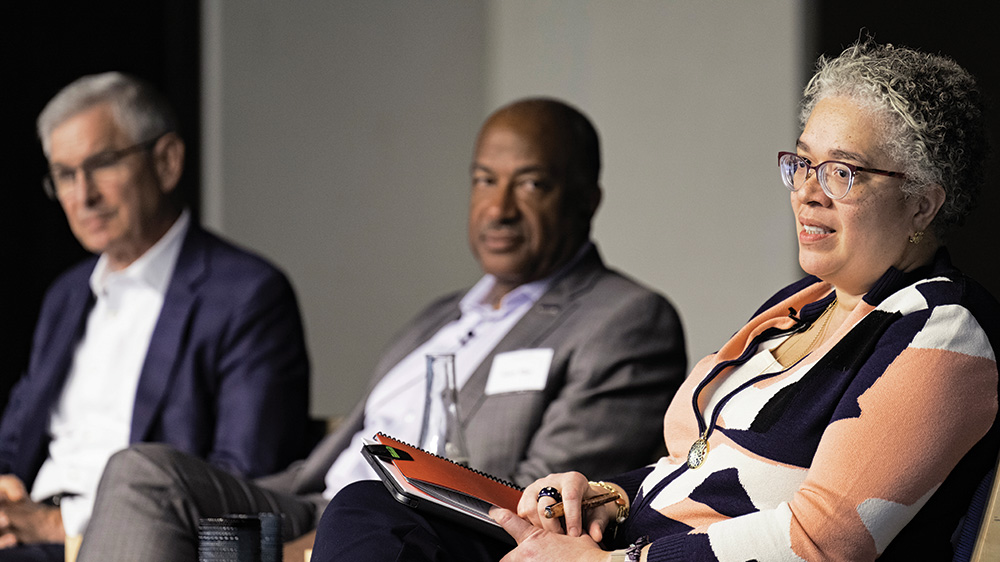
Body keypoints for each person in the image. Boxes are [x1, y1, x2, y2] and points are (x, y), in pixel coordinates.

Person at [311, 39, 1000, 562]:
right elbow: (698, 463)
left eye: (843, 172)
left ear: (922, 204)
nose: (808, 191)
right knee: (375, 508)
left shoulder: (941, 331)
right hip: (625, 542)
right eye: (801, 163)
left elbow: (825, 539)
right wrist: (603, 497)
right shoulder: (805, 303)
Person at [73, 97, 688, 561]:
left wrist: (322, 542)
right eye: (483, 180)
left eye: (530, 184)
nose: (498, 208)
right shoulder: (441, 314)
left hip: (411, 529)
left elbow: (540, 501)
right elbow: (340, 454)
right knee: (142, 473)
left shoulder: (625, 320)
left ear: (587, 198)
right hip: (314, 503)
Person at [0, 72, 311, 561]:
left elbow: (244, 483)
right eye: (64, 174)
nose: (83, 196)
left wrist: (58, 524)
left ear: (166, 162)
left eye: (101, 164)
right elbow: (14, 440)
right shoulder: (66, 294)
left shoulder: (248, 294)